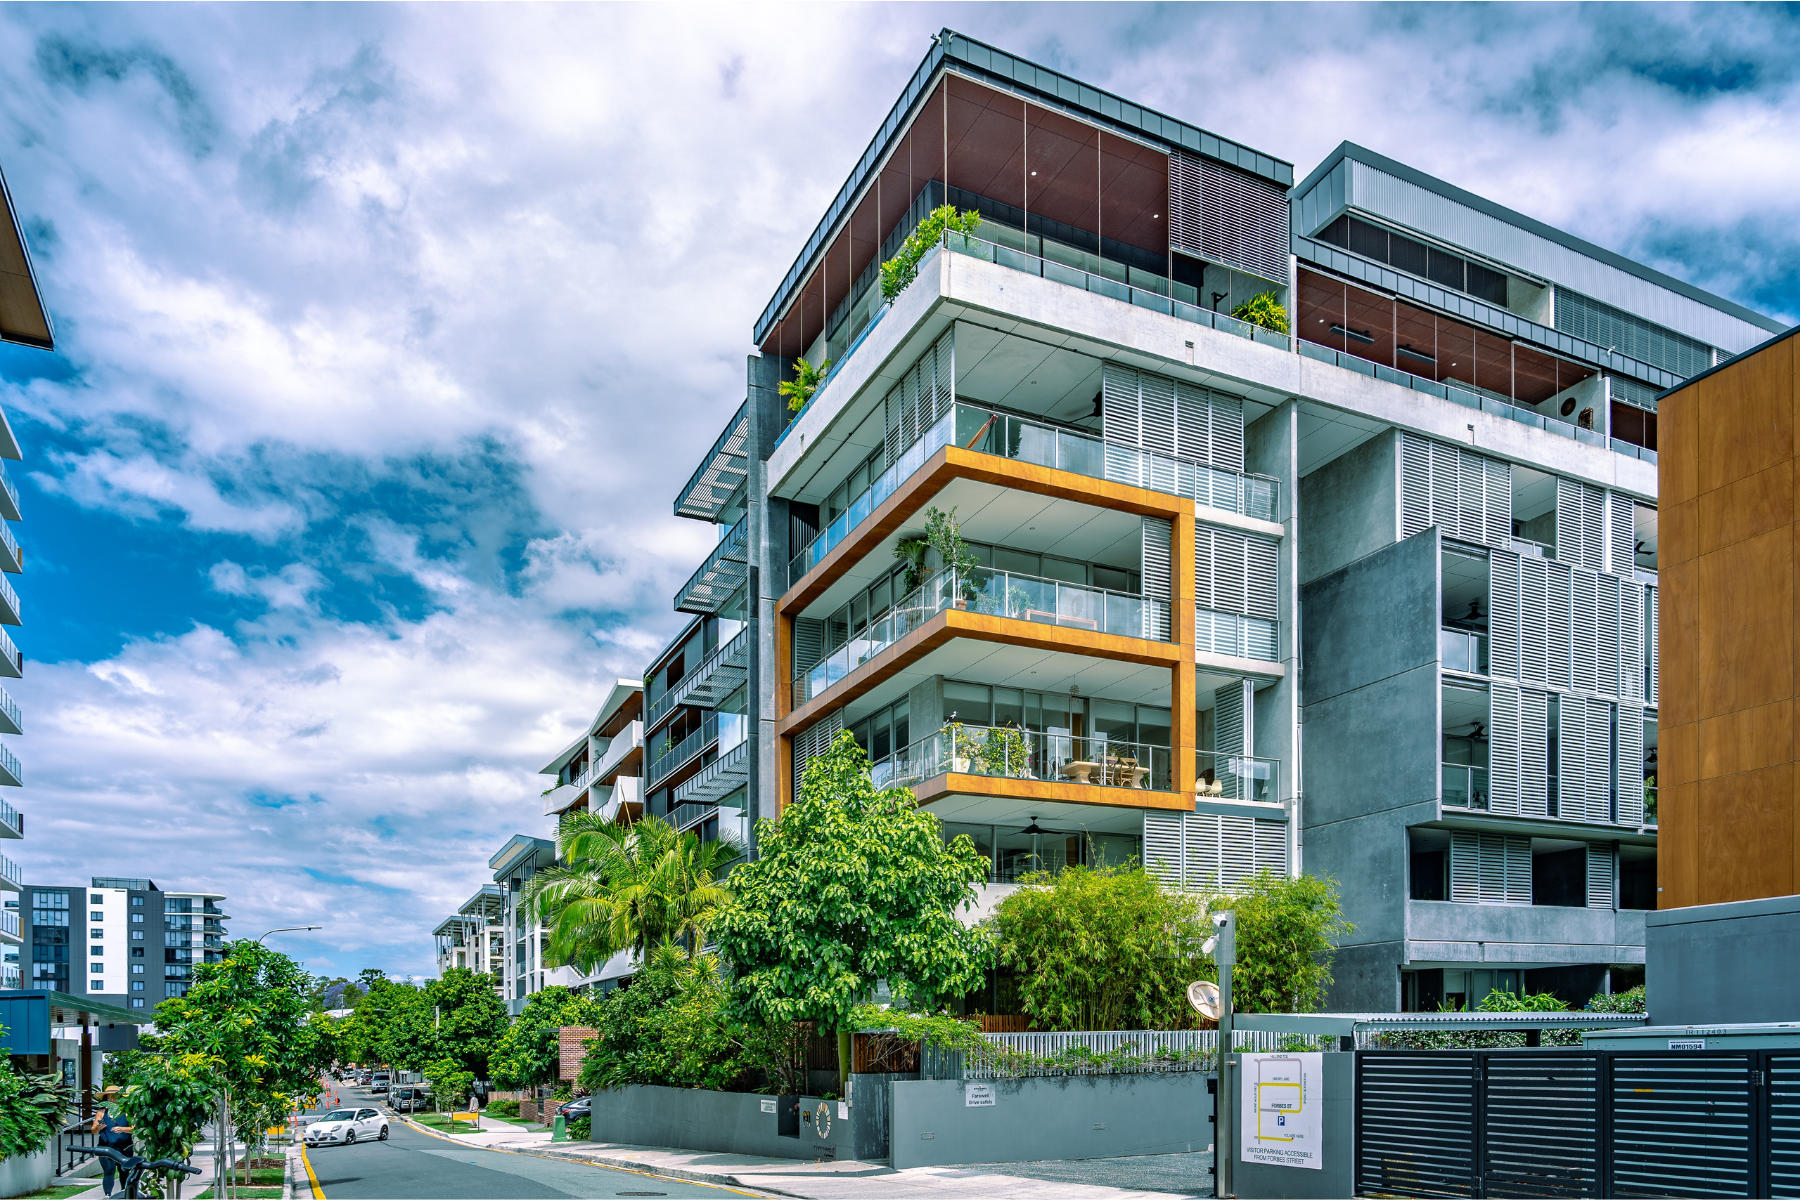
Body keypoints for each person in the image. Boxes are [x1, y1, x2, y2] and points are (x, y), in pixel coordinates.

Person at [89, 1086, 135, 1198]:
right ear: (106, 1098)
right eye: (110, 1097)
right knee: (109, 1170)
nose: (113, 1099)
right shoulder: (101, 1112)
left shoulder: (127, 1111)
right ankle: (107, 1195)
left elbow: (134, 1128)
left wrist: (122, 1129)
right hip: (106, 1147)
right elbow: (93, 1130)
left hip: (124, 1146)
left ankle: (125, 1192)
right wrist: (98, 1128)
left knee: (124, 1170)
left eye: (115, 1096)